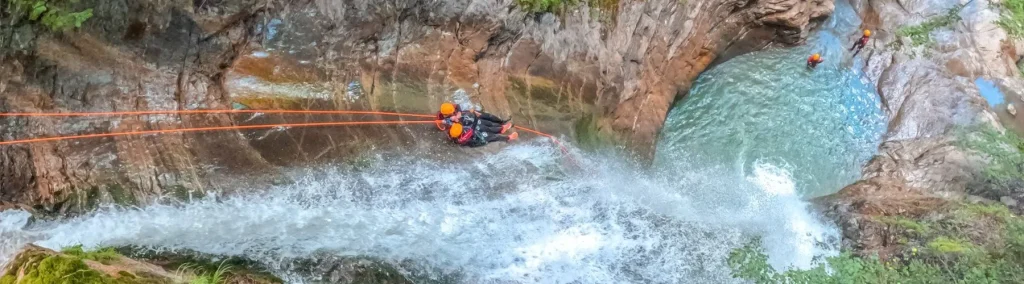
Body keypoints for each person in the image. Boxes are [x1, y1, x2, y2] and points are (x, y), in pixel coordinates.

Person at [436, 102, 513, 134]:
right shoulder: (447, 120)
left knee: (488, 116)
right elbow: (447, 125)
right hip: (471, 123)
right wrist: (453, 120)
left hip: (470, 115)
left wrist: (459, 112)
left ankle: (501, 122)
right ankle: (501, 128)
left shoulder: (448, 108)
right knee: (487, 125)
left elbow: (457, 105)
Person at [448, 122, 518, 147]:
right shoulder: (464, 137)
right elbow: (473, 127)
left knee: (486, 129)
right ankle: (508, 138)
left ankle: (501, 129)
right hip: (479, 140)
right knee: (493, 137)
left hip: (474, 135)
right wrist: (476, 116)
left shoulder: (453, 134)